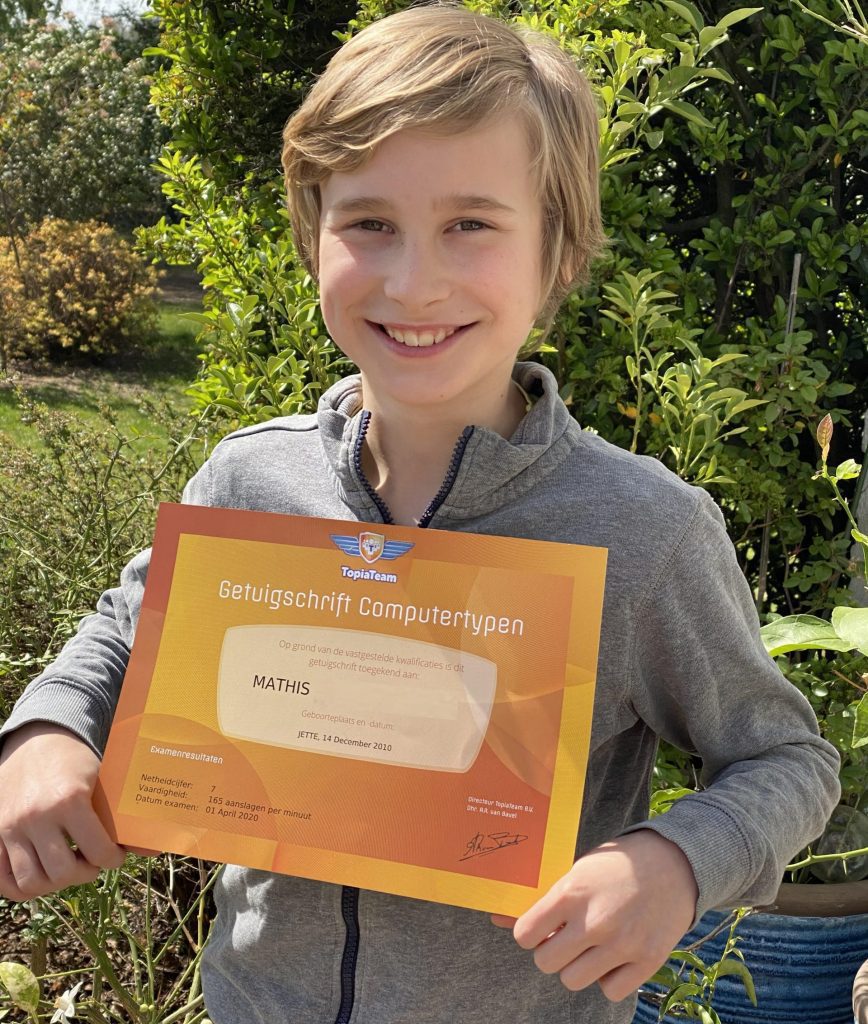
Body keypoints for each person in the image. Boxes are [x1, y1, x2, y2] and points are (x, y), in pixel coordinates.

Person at [0, 5, 840, 1023]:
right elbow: (126, 631)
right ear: (312, 236)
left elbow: (786, 759)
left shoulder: (644, 530)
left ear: (559, 250)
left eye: (470, 224)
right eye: (369, 224)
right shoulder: (249, 479)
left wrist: (675, 859)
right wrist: (46, 731)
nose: (413, 281)